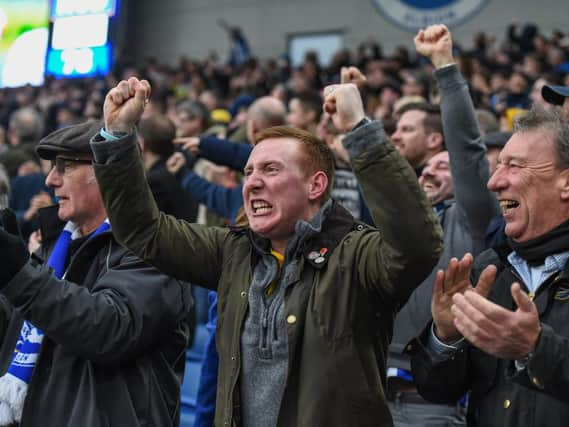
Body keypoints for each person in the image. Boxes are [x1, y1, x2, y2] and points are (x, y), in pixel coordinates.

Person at [91, 76, 443, 426]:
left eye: (271, 169)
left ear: (315, 185)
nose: (253, 182)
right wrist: (118, 138)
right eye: (248, 172)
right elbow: (144, 231)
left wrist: (359, 131)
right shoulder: (234, 252)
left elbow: (417, 246)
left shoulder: (357, 255)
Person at [0, 120, 193, 426]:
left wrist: (17, 273)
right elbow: (14, 329)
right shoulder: (54, 246)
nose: (50, 180)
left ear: (108, 170)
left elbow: (107, 328)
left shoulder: (155, 250)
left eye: (64, 166)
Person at [409, 105, 569, 426]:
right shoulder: (489, 268)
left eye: (514, 166)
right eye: (498, 167)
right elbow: (439, 389)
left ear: (565, 182)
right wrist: (446, 337)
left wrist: (535, 349)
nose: (494, 182)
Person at [385, 25, 499, 426]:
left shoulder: (471, 219)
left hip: (430, 410)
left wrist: (444, 68)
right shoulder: (397, 226)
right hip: (369, 399)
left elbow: (466, 149)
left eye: (440, 165)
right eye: (425, 168)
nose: (428, 171)